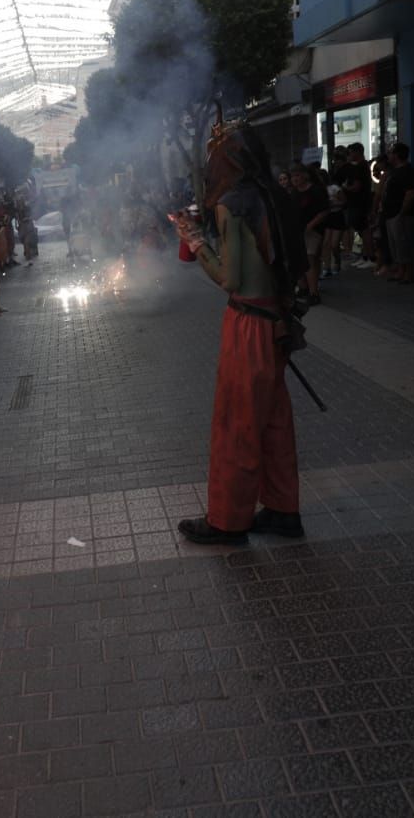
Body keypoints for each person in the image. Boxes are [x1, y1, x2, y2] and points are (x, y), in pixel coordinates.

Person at [171, 124, 306, 546]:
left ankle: (228, 520)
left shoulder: (232, 204)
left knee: (237, 423)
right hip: (277, 321)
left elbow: (230, 278)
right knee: (273, 421)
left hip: (248, 325)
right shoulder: (274, 195)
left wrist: (196, 243)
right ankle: (284, 510)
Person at [289, 164, 331, 305]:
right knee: (301, 259)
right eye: (293, 176)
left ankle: (314, 293)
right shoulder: (294, 193)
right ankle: (304, 287)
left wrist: (310, 225)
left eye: (297, 176)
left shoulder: (316, 191)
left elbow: (324, 211)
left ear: (304, 176)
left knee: (310, 259)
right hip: (297, 231)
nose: (294, 179)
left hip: (313, 230)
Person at [381, 143, 414, 284]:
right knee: (396, 246)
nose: (389, 155)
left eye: (391, 153)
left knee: (404, 244)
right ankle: (401, 271)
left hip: (401, 215)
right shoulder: (394, 171)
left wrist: (402, 213)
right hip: (391, 214)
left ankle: (409, 273)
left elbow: (410, 194)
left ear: (397, 155)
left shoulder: (407, 171)